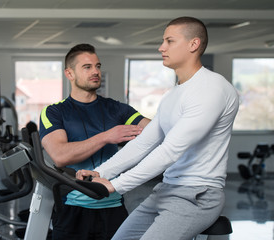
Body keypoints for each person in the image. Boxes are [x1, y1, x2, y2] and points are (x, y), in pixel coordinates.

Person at [77, 16, 239, 240]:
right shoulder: (173, 94)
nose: (161, 47)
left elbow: (170, 150)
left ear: (194, 44)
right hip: (166, 190)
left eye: (170, 41)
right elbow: (145, 143)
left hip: (197, 195)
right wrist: (101, 172)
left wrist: (115, 185)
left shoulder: (212, 88)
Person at [39, 43, 150, 240]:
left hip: (113, 207)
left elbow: (156, 131)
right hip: (73, 209)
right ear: (69, 73)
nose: (95, 71)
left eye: (97, 66)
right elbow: (60, 156)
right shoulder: (54, 112)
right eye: (87, 67)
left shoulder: (117, 109)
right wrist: (107, 136)